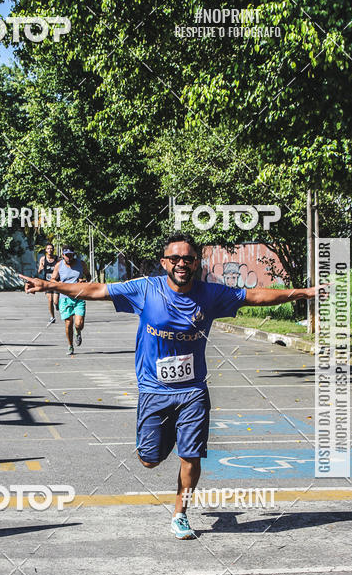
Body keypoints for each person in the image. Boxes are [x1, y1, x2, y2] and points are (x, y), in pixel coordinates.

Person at [21, 231, 321, 540]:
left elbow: (255, 297)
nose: (181, 263)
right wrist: (51, 285)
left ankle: (180, 514)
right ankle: (166, 441)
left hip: (192, 391)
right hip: (154, 390)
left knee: (191, 456)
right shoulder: (145, 289)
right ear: (164, 262)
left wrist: (304, 293)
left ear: (196, 263)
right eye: (174, 258)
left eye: (188, 259)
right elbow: (97, 289)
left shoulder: (211, 295)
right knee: (149, 460)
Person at [48, 245, 90, 355]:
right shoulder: (59, 265)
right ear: (63, 255)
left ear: (73, 255)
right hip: (65, 298)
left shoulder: (81, 264)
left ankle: (78, 331)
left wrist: (84, 281)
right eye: (67, 255)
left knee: (79, 323)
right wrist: (59, 283)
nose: (69, 257)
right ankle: (70, 345)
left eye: (71, 255)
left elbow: (88, 276)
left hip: (79, 297)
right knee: (68, 323)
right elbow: (52, 279)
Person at [36, 243, 60, 323]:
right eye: (48, 248)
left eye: (51, 248)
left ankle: (57, 305)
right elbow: (39, 271)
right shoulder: (43, 259)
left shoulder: (57, 259)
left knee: (55, 301)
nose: (50, 250)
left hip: (56, 282)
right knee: (50, 300)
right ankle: (52, 317)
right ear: (46, 250)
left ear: (53, 250)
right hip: (47, 283)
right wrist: (40, 269)